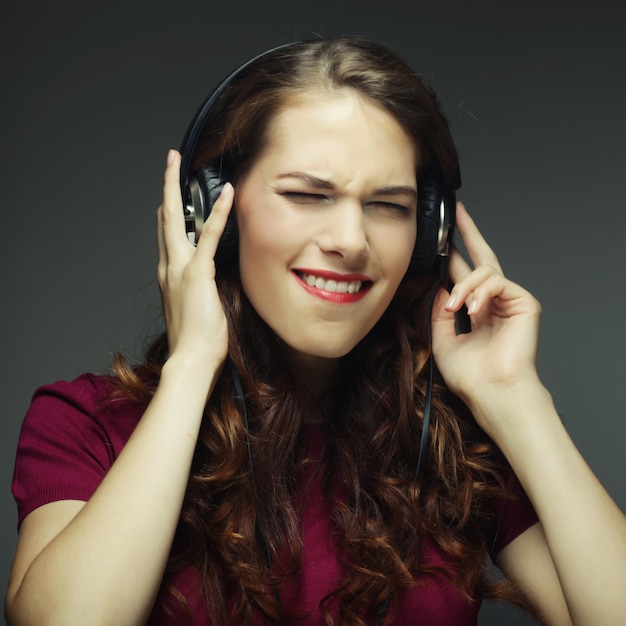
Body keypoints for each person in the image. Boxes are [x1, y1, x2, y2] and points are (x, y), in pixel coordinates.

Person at [5, 37, 626, 626]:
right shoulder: (85, 424)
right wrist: (192, 366)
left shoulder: (450, 441)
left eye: (389, 205)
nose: (351, 242)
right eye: (307, 194)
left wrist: (514, 396)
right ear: (209, 211)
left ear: (428, 234)